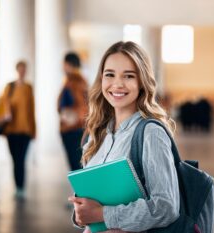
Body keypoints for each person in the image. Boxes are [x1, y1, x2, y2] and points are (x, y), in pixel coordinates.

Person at [68, 41, 179, 232]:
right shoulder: (98, 133)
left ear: (142, 82)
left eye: (128, 76)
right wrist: (81, 214)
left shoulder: (151, 133)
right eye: (109, 75)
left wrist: (102, 214)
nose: (117, 84)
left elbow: (166, 206)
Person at [1, 60, 36, 199]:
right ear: (17, 70)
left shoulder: (28, 87)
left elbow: (32, 109)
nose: (22, 71)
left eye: (24, 69)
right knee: (15, 159)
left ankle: (21, 187)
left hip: (25, 130)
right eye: (20, 69)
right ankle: (17, 187)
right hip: (11, 130)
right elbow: (3, 105)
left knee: (21, 159)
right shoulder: (9, 87)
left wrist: (34, 129)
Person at [58, 52, 88, 171]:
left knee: (76, 165)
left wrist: (69, 116)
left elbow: (82, 106)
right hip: (74, 128)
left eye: (64, 64)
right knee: (76, 164)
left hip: (73, 129)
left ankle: (81, 190)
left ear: (69, 64)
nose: (62, 67)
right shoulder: (74, 80)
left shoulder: (75, 81)